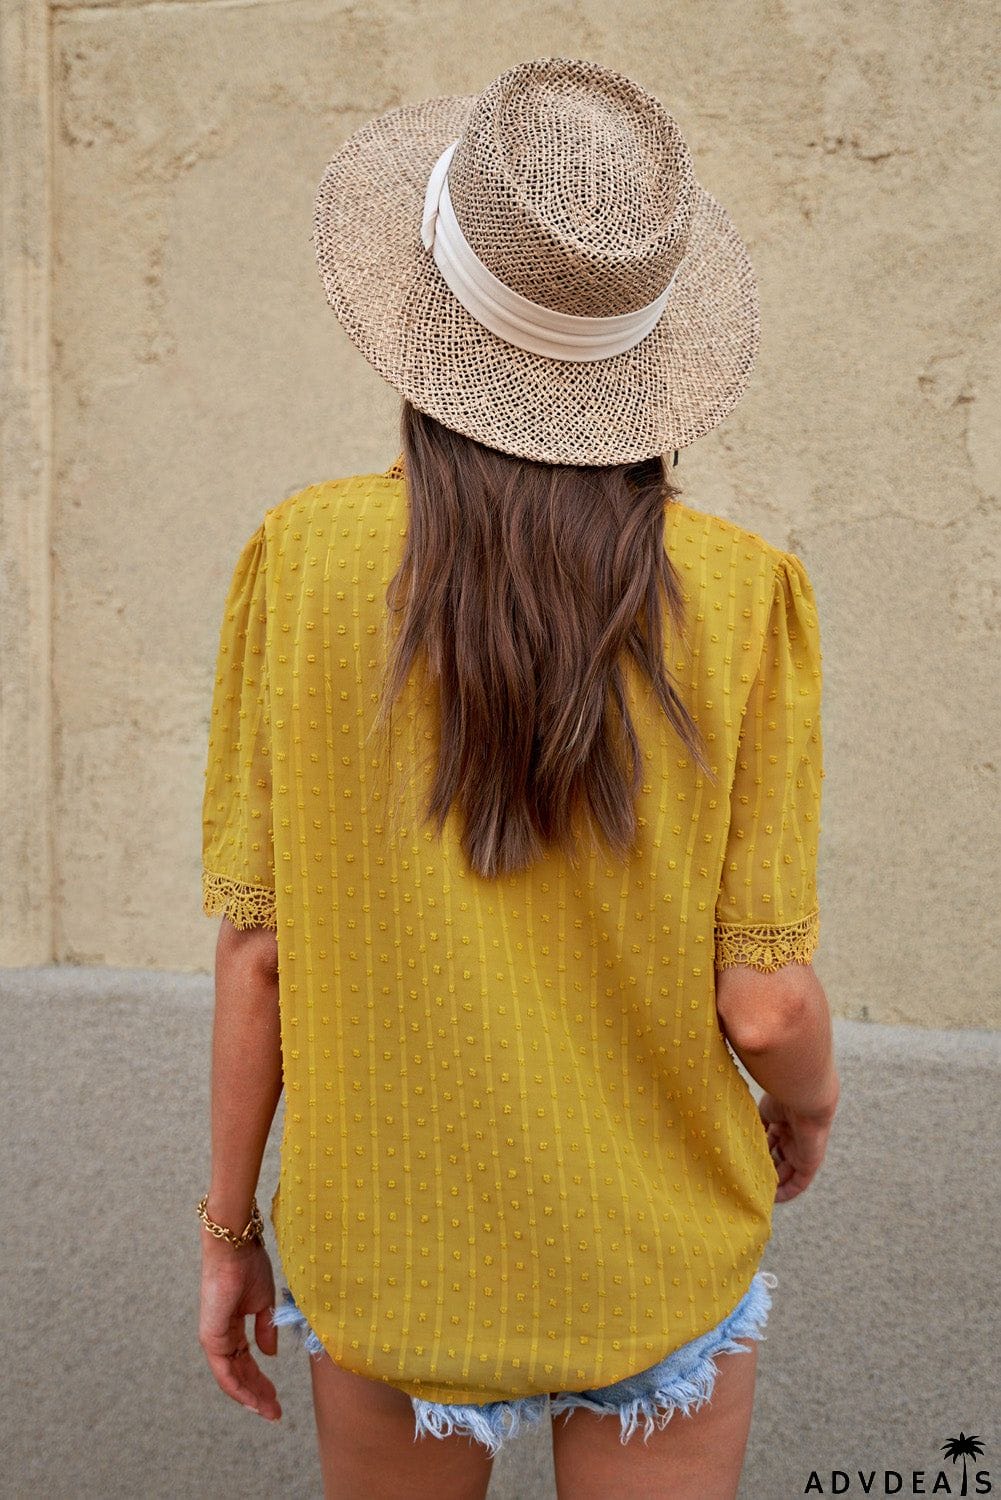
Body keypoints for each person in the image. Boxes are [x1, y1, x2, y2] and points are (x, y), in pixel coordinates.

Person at [196, 55, 840, 1500]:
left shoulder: (298, 565)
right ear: (649, 347)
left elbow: (258, 963)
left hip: (390, 1256)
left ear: (423, 310)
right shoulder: (744, 601)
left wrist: (229, 1232)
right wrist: (807, 1108)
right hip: (649, 1248)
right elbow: (768, 999)